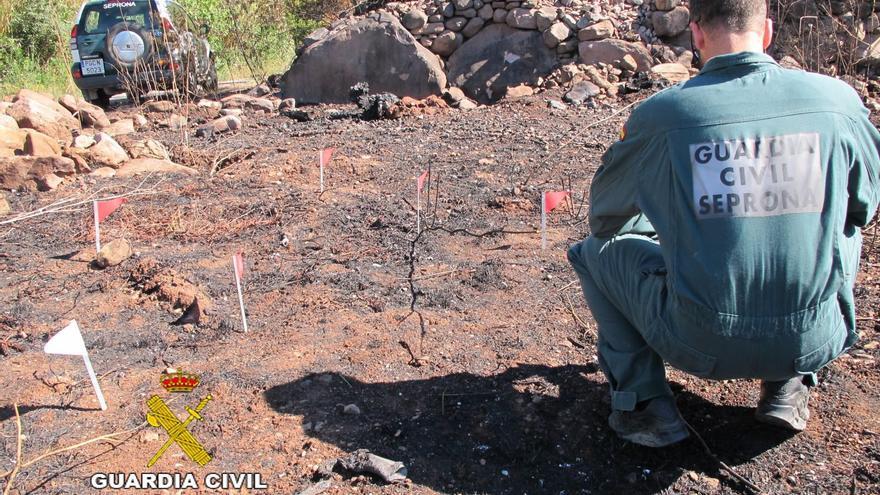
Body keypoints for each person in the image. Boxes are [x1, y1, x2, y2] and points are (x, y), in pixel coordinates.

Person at [567, 0, 880, 448]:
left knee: (592, 253)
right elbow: (864, 206)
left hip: (699, 341)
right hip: (815, 336)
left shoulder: (664, 115)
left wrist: (675, 221)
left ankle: (643, 407)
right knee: (842, 225)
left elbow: (605, 218)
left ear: (695, 34)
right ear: (768, 32)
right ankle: (787, 386)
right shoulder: (838, 102)